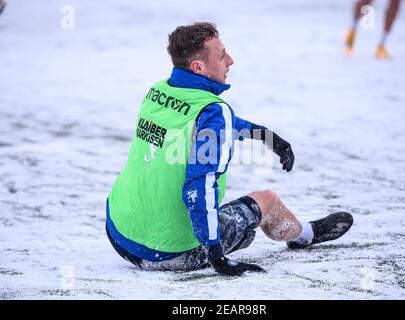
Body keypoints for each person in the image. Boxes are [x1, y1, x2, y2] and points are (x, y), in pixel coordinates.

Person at [106, 22, 353, 276]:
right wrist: (216, 256)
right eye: (222, 56)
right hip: (167, 253)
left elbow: (206, 123)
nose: (231, 61)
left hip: (119, 233)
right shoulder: (214, 112)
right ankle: (303, 235)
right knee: (265, 200)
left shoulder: (159, 90)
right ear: (198, 67)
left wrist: (268, 138)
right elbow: (198, 189)